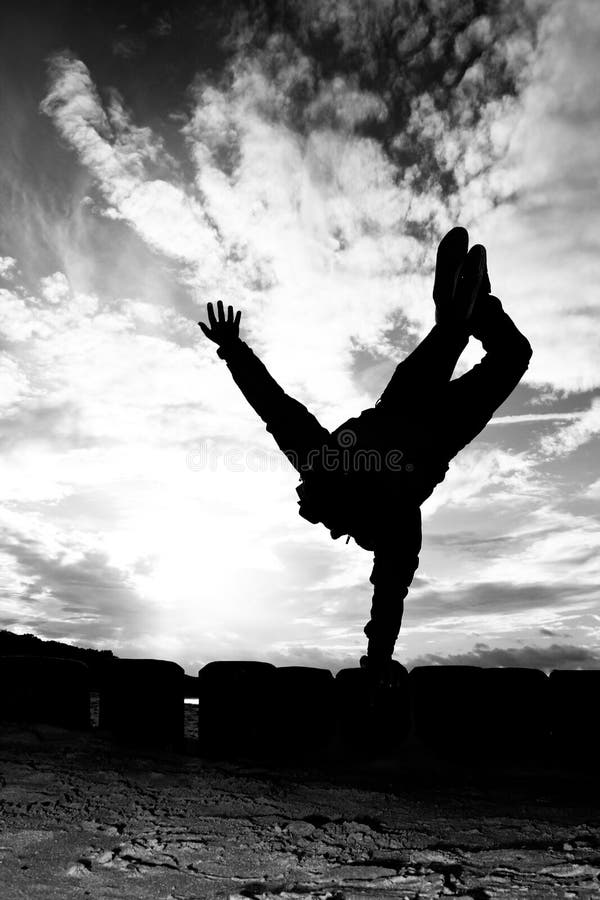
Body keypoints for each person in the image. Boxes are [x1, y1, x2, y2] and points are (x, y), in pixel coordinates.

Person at [199, 228, 532, 685]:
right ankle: (465, 306)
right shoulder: (318, 461)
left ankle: (467, 307)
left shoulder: (391, 524)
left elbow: (388, 598)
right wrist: (234, 349)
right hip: (403, 401)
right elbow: (275, 407)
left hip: (436, 429)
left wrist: (378, 662)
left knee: (507, 352)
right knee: (457, 331)